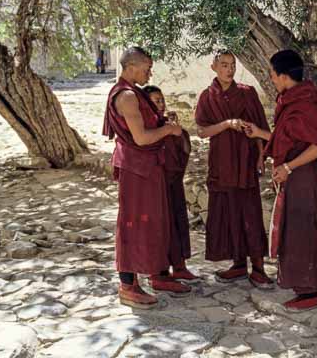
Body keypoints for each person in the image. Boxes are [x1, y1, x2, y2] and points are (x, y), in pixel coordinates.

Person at [244, 49, 317, 311]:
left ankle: (310, 290)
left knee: (303, 231)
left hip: (303, 176)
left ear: (284, 75)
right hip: (293, 175)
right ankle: (297, 282)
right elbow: (288, 138)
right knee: (292, 230)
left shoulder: (307, 104)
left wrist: (288, 167)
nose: (272, 79)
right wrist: (259, 133)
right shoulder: (290, 101)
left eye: (273, 74)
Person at [102, 47, 192, 309]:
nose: (149, 72)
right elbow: (141, 138)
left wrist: (162, 123)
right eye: (147, 68)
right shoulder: (127, 96)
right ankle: (128, 286)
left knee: (156, 223)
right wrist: (169, 130)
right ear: (132, 66)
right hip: (136, 169)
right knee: (134, 225)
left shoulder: (135, 92)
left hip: (149, 167)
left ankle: (158, 274)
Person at [195, 50, 273, 289]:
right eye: (224, 65)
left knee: (250, 212)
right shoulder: (207, 97)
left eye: (232, 65)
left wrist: (260, 156)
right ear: (214, 67)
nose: (229, 70)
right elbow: (201, 131)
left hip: (245, 161)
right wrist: (227, 124)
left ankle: (258, 268)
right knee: (229, 214)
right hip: (221, 163)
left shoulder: (247, 94)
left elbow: (260, 127)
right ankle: (239, 264)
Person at [144, 85, 199, 283]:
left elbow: (185, 149)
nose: (160, 104)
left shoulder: (169, 124)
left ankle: (180, 266)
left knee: (178, 223)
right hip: (156, 185)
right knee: (160, 227)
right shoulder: (145, 128)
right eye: (155, 101)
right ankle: (159, 272)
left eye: (161, 100)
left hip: (174, 183)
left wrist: (178, 131)